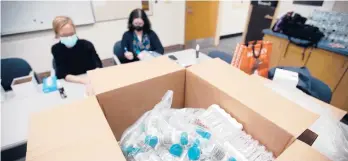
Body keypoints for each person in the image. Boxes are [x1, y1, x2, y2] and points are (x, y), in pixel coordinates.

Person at [51, 16, 102, 85]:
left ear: (75, 31)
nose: (69, 37)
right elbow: (62, 73)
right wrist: (82, 81)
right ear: (57, 35)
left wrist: (95, 76)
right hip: (71, 82)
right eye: (64, 35)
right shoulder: (56, 49)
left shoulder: (86, 45)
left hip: (92, 79)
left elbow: (98, 65)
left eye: (71, 34)